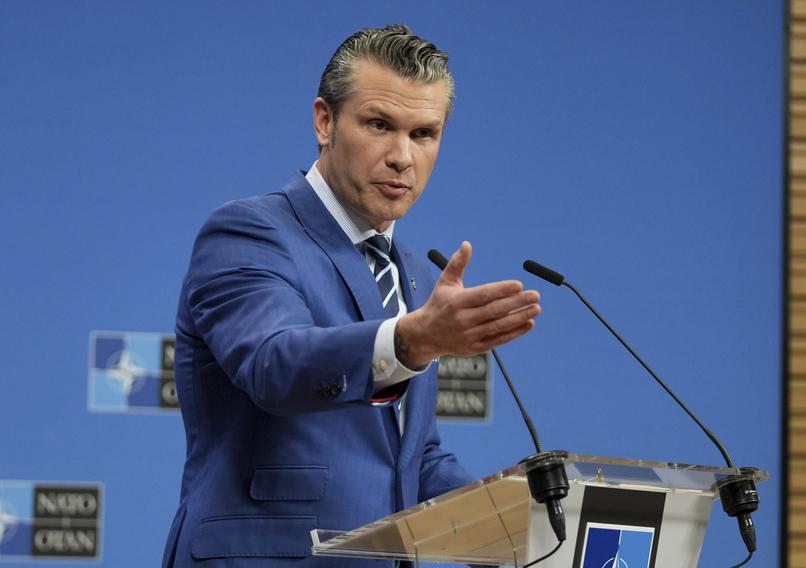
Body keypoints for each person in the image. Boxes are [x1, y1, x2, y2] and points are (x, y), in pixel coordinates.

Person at [161, 24, 541, 567]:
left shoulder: (410, 272)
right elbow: (275, 365)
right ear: (324, 121)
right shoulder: (249, 232)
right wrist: (409, 341)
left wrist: (523, 522)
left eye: (424, 134)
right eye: (379, 125)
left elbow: (408, 459)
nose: (402, 157)